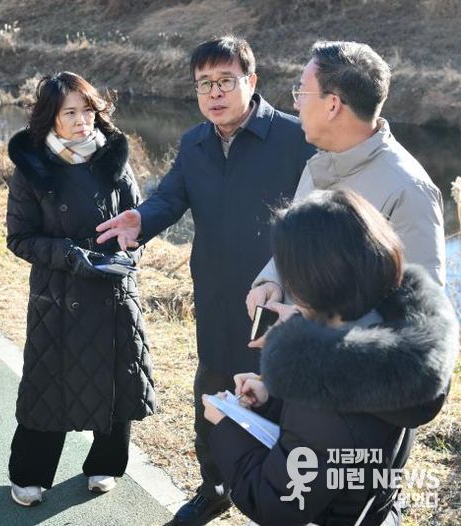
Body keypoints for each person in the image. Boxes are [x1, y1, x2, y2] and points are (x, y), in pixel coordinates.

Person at [96, 36, 315, 525]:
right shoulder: (195, 142)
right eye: (204, 84)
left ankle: (283, 498)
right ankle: (215, 488)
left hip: (278, 296)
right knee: (213, 393)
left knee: (277, 395)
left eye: (225, 81)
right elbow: (170, 197)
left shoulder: (295, 137)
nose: (214, 93)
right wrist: (142, 219)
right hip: (216, 294)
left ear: (251, 81)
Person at [204, 189, 458, 526]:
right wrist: (273, 396)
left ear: (314, 282)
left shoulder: (328, 388)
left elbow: (276, 503)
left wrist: (227, 428)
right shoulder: (392, 333)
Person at [5, 71, 155, 507]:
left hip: (113, 290)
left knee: (116, 378)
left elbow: (138, 222)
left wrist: (131, 252)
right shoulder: (32, 168)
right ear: (49, 117)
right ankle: (30, 474)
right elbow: (20, 239)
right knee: (46, 385)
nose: (81, 120)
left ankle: (105, 464)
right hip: (58, 292)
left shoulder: (114, 159)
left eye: (87, 110)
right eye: (69, 112)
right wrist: (71, 255)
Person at [247, 40, 445, 323]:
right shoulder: (320, 165)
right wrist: (272, 281)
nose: (295, 103)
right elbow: (299, 251)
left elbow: (419, 318)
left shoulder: (409, 191)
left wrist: (310, 326)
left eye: (301, 92)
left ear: (332, 105)